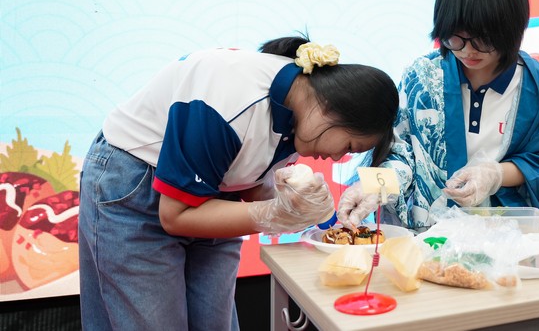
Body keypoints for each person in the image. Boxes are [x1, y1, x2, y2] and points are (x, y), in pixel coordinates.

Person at [78, 36, 399, 330]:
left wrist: (298, 205)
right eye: (349, 146)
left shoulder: (303, 113)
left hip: (213, 194)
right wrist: (276, 212)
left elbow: (248, 179)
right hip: (137, 184)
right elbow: (175, 216)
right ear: (333, 110)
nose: (338, 157)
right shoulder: (229, 100)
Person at [337, 0, 539, 230]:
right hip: (423, 239)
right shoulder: (422, 78)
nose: (468, 51)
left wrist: (495, 174)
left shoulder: (538, 88)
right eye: (455, 38)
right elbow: (399, 153)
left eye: (482, 40)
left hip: (498, 238)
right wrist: (373, 187)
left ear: (511, 28)